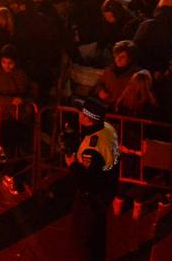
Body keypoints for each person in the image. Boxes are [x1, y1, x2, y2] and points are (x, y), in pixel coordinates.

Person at [65, 97, 119, 261]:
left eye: (81, 113)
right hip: (106, 192)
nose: (79, 115)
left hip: (91, 200)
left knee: (81, 241)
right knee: (97, 238)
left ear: (87, 118)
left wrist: (72, 165)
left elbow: (87, 181)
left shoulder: (92, 147)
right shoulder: (108, 129)